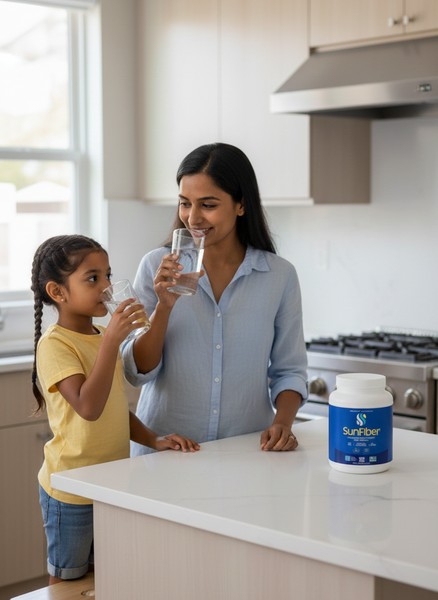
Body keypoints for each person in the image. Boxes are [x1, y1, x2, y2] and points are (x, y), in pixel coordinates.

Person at [31, 234, 199, 585]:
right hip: (72, 490)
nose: (107, 286)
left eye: (108, 275)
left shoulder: (100, 334)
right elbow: (89, 408)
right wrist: (112, 341)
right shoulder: (55, 345)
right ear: (58, 292)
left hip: (109, 485)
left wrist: (154, 439)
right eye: (93, 279)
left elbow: (111, 410)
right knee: (68, 582)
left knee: (102, 581)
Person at [123, 142, 308, 456]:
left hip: (246, 452)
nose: (192, 218)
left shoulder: (279, 275)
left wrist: (284, 423)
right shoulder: (156, 267)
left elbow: (289, 370)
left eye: (208, 205)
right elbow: (137, 370)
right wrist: (164, 307)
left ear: (241, 205)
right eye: (185, 203)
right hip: (166, 452)